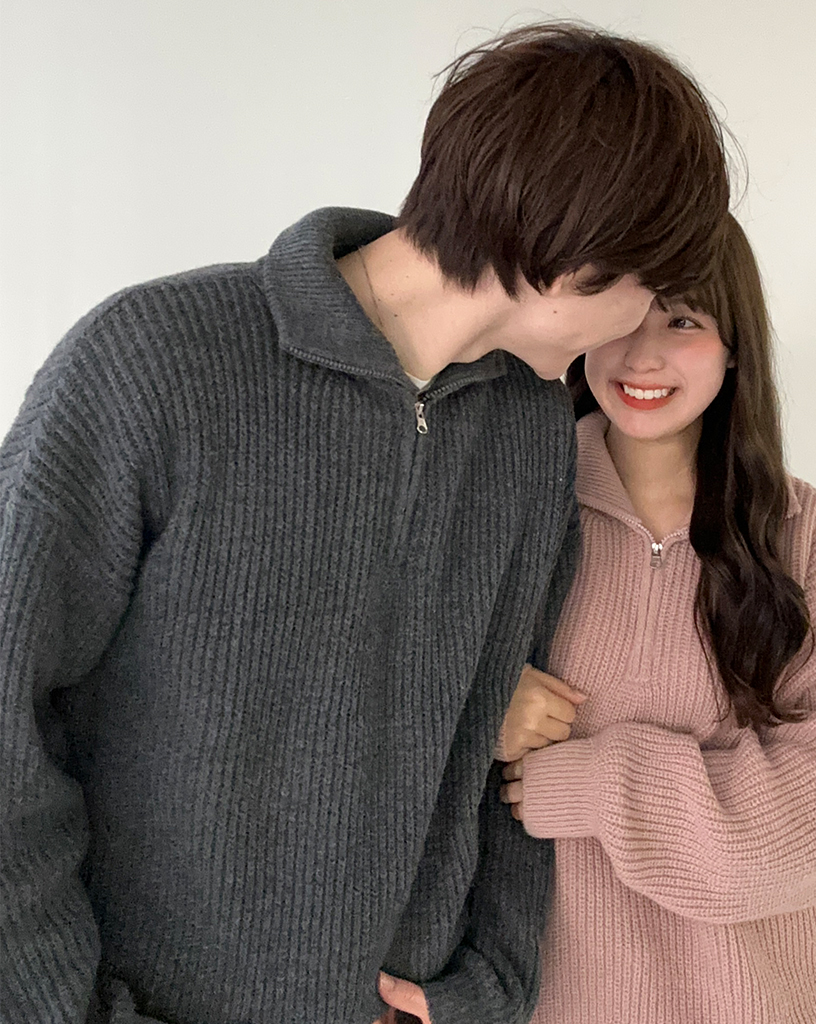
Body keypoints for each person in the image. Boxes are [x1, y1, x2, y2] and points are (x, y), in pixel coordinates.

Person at [0, 23, 731, 1024]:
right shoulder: (153, 363)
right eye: (648, 288)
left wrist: (482, 992)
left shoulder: (528, 432)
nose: (642, 325)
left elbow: (514, 742)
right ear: (578, 267)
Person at [497, 214, 816, 1024]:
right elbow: (388, 728)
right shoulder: (512, 506)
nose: (642, 355)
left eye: (682, 321)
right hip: (552, 1000)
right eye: (621, 311)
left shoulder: (795, 529)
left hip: (767, 1000)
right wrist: (480, 716)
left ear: (734, 346)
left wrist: (595, 783)